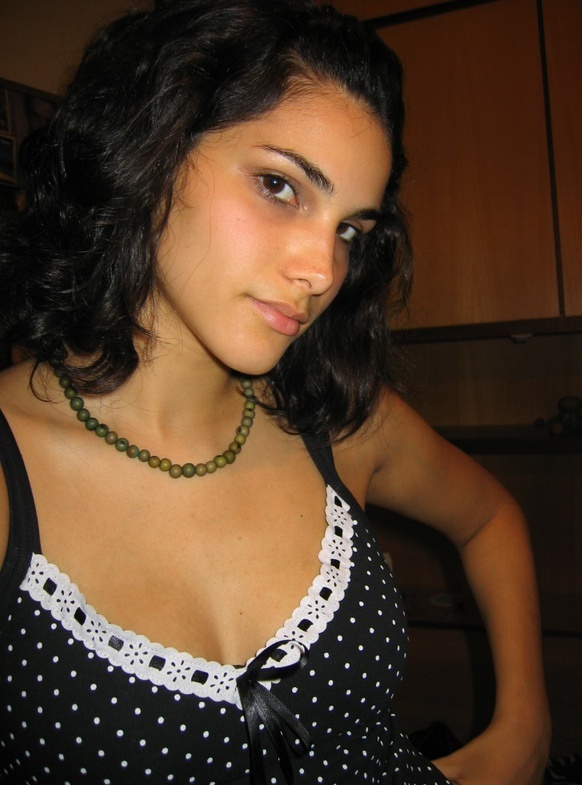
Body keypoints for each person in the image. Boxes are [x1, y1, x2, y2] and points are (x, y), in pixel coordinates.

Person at [0, 1, 550, 783]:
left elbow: (490, 516)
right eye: (279, 185)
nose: (323, 270)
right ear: (153, 148)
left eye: (350, 230)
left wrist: (525, 724)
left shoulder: (336, 420)